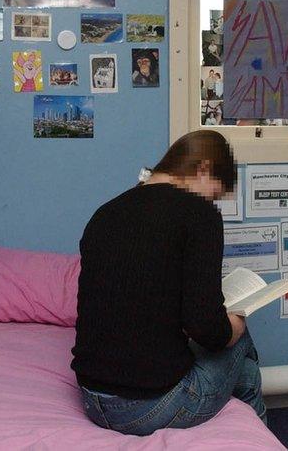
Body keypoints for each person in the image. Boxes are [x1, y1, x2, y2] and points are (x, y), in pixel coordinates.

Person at [72, 131, 265, 436]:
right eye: (215, 194)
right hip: (148, 407)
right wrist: (237, 324)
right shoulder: (198, 214)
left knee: (248, 376)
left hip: (92, 400)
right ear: (202, 169)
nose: (212, 202)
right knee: (239, 326)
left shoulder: (106, 213)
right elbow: (208, 331)